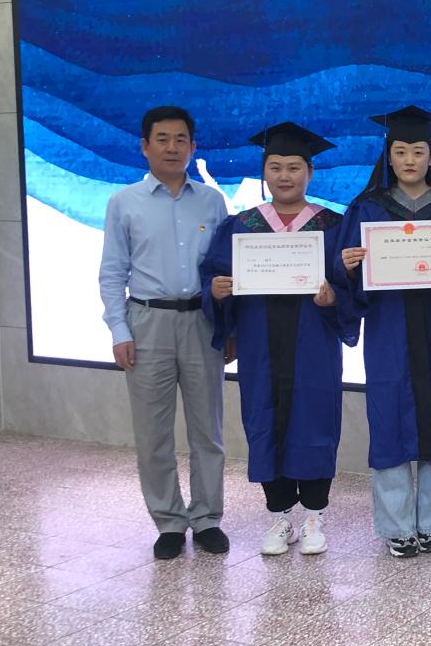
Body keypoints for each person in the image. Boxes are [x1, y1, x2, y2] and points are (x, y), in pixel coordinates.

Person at [200, 122, 357, 556]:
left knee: (316, 420)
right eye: (275, 167)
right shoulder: (242, 225)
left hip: (314, 343)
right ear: (264, 172)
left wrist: (335, 296)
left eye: (294, 167)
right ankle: (280, 517)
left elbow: (352, 285)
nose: (284, 176)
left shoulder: (334, 225)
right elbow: (214, 274)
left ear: (310, 172)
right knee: (264, 420)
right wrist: (216, 290)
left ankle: (314, 517)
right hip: (259, 344)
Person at [339, 106, 431, 558]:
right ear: (389, 156)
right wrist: (347, 266)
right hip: (388, 331)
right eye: (400, 151)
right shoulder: (368, 208)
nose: (410, 160)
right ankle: (397, 526)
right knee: (388, 419)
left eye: (419, 151)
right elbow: (344, 276)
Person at [98, 105, 230, 560]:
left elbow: (224, 267)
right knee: (153, 433)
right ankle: (170, 522)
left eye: (181, 140)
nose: (172, 148)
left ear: (193, 147)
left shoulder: (212, 201)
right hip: (146, 322)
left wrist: (229, 325)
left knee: (208, 429)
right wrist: (119, 330)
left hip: (202, 321)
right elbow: (112, 272)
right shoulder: (124, 202)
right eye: (163, 139)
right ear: (145, 146)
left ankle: (207, 518)